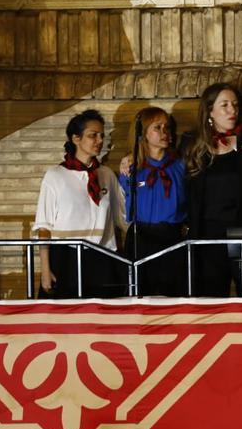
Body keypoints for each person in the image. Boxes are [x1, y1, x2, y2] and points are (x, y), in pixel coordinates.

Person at [184, 83, 242, 297]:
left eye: (235, 104)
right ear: (210, 111)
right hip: (208, 235)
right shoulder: (192, 142)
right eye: (224, 105)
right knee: (211, 297)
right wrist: (131, 158)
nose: (232, 110)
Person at [33, 109, 125, 298]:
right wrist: (45, 269)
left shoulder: (106, 174)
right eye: (93, 135)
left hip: (103, 258)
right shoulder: (56, 175)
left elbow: (123, 217)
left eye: (102, 135)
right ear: (76, 138)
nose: (99, 141)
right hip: (66, 258)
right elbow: (44, 227)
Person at [119, 107, 187, 296]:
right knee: (139, 296)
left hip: (172, 238)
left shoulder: (181, 165)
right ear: (142, 133)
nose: (165, 132)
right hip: (141, 238)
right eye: (157, 127)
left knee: (173, 296)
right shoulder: (130, 168)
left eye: (167, 127)